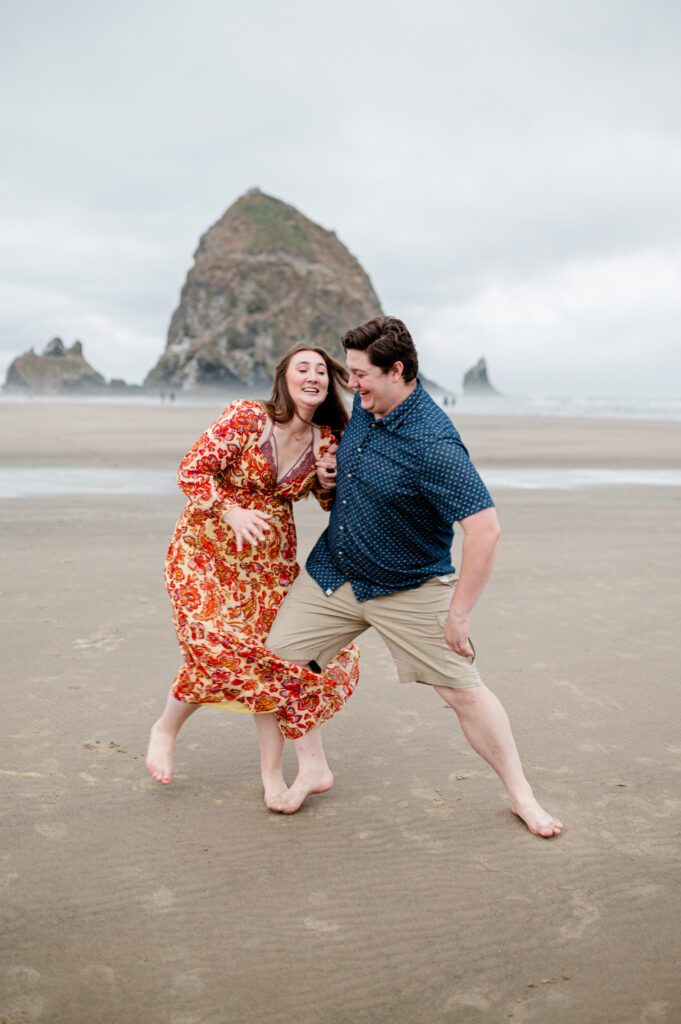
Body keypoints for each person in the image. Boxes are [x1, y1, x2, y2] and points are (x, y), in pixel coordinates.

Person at [266, 317, 563, 837]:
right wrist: (331, 477)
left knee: (464, 693)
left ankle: (523, 797)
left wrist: (459, 614)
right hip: (336, 571)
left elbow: (485, 530)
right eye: (350, 373)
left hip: (408, 585)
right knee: (282, 661)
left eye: (361, 374)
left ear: (397, 370)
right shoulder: (365, 404)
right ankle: (313, 766)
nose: (352, 385)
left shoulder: (434, 444)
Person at [145, 346, 360, 811]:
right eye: (302, 367)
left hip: (267, 563)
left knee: (270, 658)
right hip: (206, 551)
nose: (313, 375)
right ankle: (166, 728)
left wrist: (329, 482)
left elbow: (328, 505)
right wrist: (232, 509)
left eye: (321, 370)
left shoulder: (329, 437)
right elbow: (191, 471)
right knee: (214, 644)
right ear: (284, 379)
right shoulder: (247, 418)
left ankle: (271, 775)